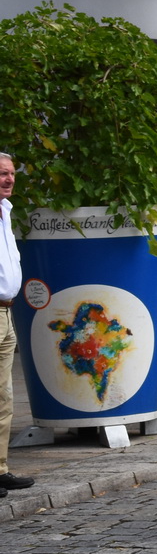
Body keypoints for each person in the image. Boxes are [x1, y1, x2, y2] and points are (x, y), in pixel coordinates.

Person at [0, 153, 32, 497]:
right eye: (1, 174)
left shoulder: (5, 211)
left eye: (10, 174)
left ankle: (0, 467)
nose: (8, 179)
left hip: (6, 312)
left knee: (4, 396)